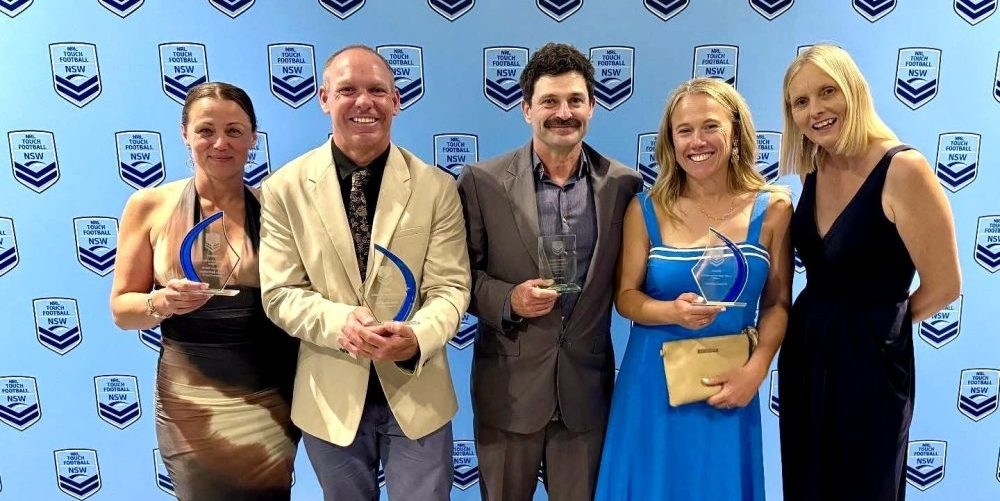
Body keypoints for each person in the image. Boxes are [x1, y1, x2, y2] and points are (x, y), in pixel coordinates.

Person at [257, 45, 470, 501]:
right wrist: (340, 324)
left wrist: (417, 337)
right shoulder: (282, 190)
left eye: (377, 90)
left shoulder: (436, 187)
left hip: (418, 393)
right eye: (347, 90)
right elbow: (280, 293)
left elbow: (450, 287)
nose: (364, 102)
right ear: (324, 98)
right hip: (329, 398)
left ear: (396, 100)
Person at [457, 42, 642, 501]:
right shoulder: (481, 182)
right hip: (508, 393)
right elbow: (459, 279)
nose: (563, 113)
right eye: (549, 101)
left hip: (586, 395)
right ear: (526, 109)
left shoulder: (624, 185)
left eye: (575, 100)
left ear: (593, 107)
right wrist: (509, 300)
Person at [593, 77, 792, 500]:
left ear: (735, 132)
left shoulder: (773, 208)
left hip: (729, 388)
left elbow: (777, 304)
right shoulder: (645, 208)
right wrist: (671, 312)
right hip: (651, 390)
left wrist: (756, 370)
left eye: (710, 126)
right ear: (671, 142)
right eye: (684, 130)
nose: (696, 141)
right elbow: (626, 297)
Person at [777, 44, 960, 501]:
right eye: (800, 101)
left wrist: (880, 328)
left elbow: (945, 286)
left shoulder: (904, 169)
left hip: (870, 365)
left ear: (854, 90)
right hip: (806, 353)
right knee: (805, 483)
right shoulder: (813, 167)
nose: (815, 110)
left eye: (827, 92)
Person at [109, 82, 300, 500]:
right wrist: (160, 301)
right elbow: (122, 310)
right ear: (185, 134)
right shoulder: (148, 206)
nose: (220, 143)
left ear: (253, 137)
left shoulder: (278, 210)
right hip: (188, 397)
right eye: (205, 131)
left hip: (269, 394)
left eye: (234, 131)